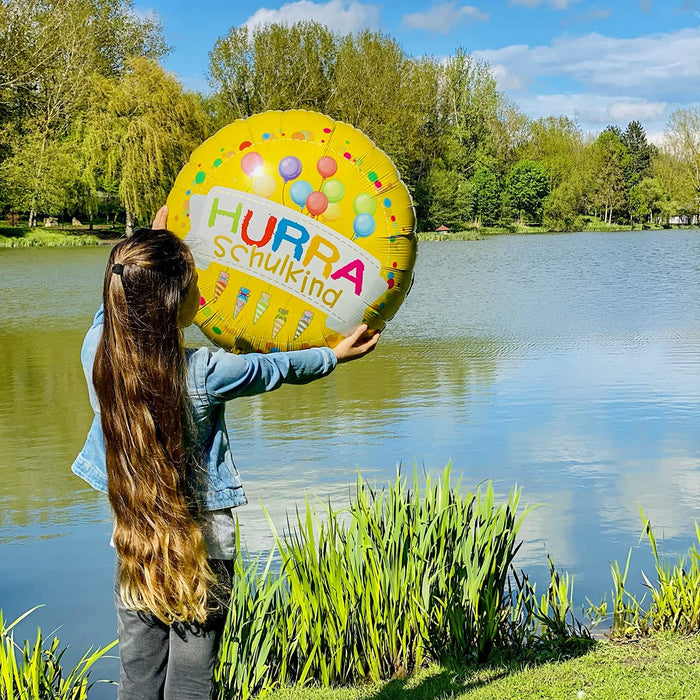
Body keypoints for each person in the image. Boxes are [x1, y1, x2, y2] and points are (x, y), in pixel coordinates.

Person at [71, 206, 378, 700]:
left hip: (136, 541)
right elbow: (274, 369)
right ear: (175, 302)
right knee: (193, 678)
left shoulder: (96, 355)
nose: (202, 291)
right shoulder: (206, 371)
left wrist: (149, 242)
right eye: (194, 283)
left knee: (138, 674)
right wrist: (333, 355)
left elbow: (112, 309)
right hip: (203, 546)